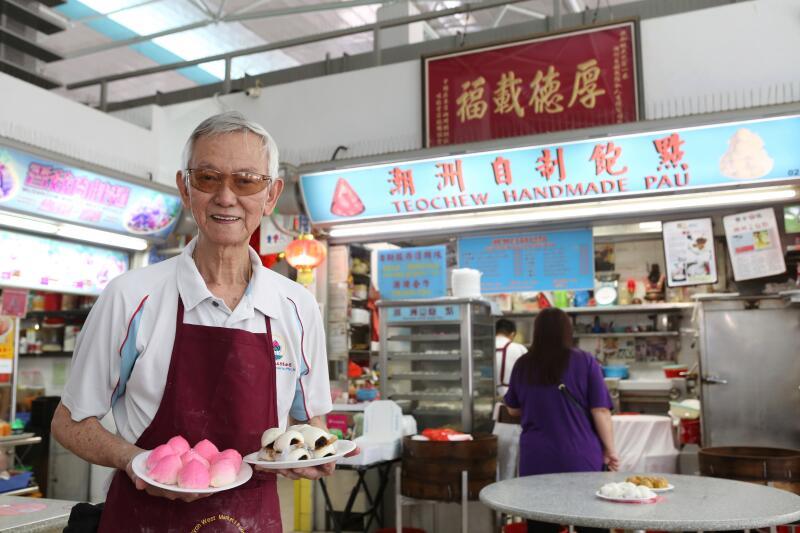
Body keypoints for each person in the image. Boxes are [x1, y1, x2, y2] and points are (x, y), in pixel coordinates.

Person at [51, 111, 349, 532]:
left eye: (246, 181)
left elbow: (309, 422)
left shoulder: (297, 307)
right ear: (185, 188)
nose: (226, 197)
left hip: (252, 521)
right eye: (208, 178)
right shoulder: (131, 297)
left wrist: (312, 454)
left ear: (271, 194)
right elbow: (69, 423)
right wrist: (134, 460)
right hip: (144, 520)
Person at [504, 308, 618, 533]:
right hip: (580, 455)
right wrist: (610, 450)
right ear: (568, 331)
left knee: (541, 525)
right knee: (591, 523)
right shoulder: (584, 360)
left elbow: (513, 409)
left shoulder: (523, 364)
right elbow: (601, 411)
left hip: (536, 457)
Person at [492, 318, 527, 480]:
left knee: (494, 459)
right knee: (512, 459)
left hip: (485, 411)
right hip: (512, 410)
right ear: (512, 334)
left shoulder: (483, 347)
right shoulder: (518, 348)